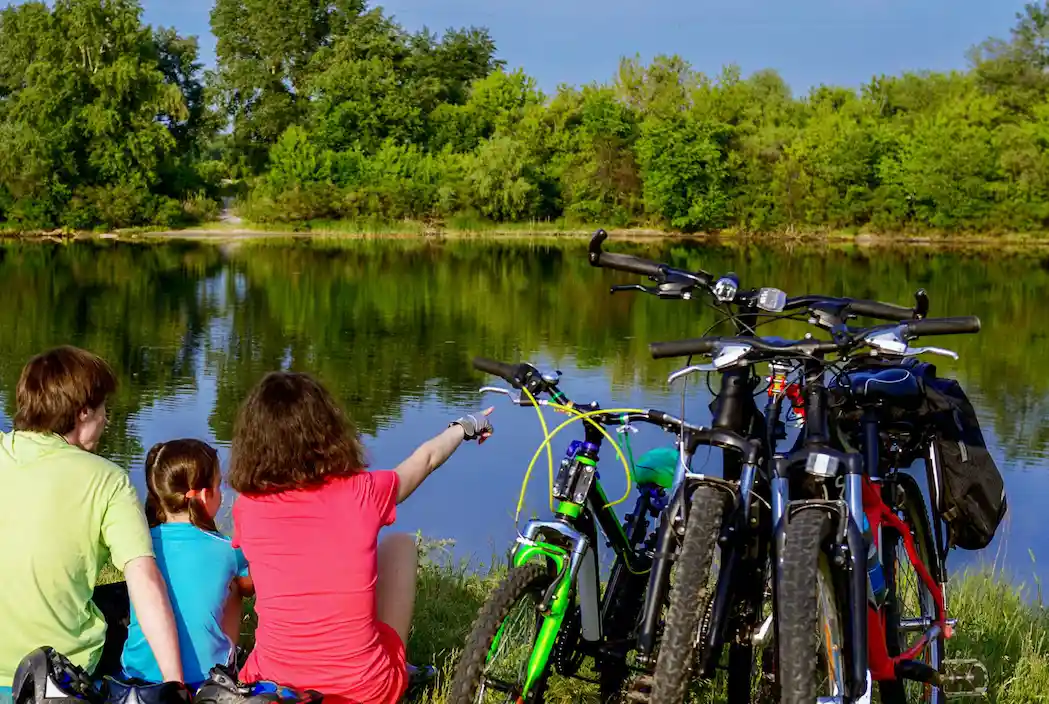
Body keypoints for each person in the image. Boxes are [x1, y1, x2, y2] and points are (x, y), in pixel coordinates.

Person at [227, 371, 493, 704]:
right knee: (401, 545)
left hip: (274, 687)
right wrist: (467, 425)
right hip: (366, 691)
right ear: (327, 431)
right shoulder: (364, 492)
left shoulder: (247, 507)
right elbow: (425, 459)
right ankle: (399, 667)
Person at [0, 346, 183, 703]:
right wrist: (176, 687)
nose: (106, 420)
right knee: (119, 606)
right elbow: (144, 580)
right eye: (103, 410)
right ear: (83, 412)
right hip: (59, 678)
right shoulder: (108, 480)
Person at [121, 439, 254, 690]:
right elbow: (250, 585)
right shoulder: (228, 549)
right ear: (205, 495)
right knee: (235, 586)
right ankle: (226, 666)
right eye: (218, 485)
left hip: (137, 675)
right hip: (204, 680)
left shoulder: (140, 545)